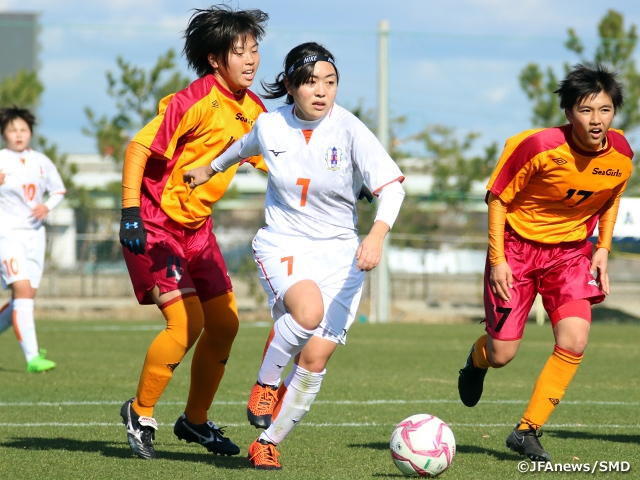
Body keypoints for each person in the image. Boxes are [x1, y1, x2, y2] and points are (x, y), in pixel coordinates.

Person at [184, 41, 406, 470]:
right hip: (284, 242)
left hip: (342, 254)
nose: (321, 91)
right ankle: (266, 383)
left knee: (314, 360)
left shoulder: (350, 129)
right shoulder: (271, 127)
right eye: (310, 82)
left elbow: (392, 186)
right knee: (306, 312)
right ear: (290, 85)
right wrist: (208, 169)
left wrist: (376, 236)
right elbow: (242, 147)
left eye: (330, 81)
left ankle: (268, 441)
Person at [457, 63, 633, 462]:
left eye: (604, 110)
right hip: (516, 250)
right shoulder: (534, 146)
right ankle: (477, 360)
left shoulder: (621, 154)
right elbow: (498, 197)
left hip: (570, 255)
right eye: (586, 110)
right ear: (568, 112)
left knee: (575, 339)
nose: (596, 120)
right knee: (503, 354)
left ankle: (526, 430)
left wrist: (602, 248)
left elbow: (611, 196)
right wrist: (499, 259)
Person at [117, 5, 269, 460]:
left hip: (197, 230)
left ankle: (195, 421)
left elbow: (282, 160)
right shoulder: (193, 101)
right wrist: (128, 211)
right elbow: (138, 147)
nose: (250, 60)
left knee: (225, 324)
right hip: (156, 221)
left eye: (254, 49)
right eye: (238, 51)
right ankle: (140, 412)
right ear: (214, 59)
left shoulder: (255, 110)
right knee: (186, 323)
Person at [0, 107, 66, 373]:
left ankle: (31, 351)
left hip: (35, 236)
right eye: (12, 130)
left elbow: (59, 189)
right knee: (23, 291)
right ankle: (32, 358)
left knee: (23, 298)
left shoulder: (41, 160)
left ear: (30, 133)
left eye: (23, 129)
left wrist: (47, 206)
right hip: (6, 234)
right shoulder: (1, 159)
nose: (18, 134)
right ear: (4, 133)